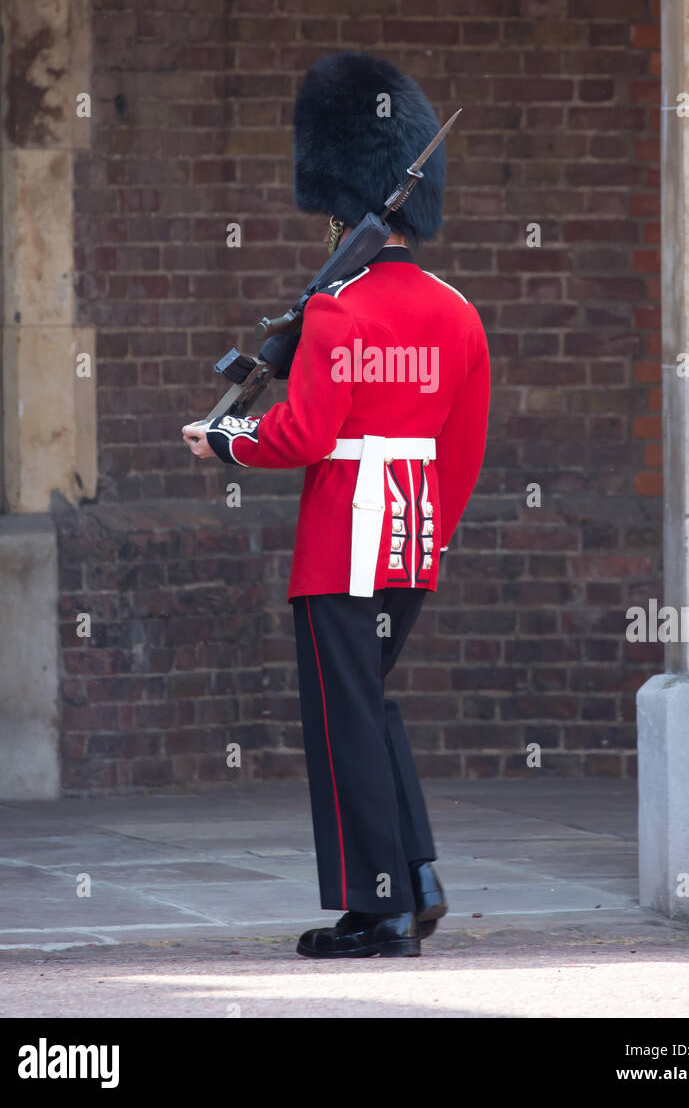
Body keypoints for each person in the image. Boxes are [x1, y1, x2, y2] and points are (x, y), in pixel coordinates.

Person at [182, 51, 491, 958]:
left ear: (337, 210)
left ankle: (379, 908)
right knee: (370, 705)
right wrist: (427, 532)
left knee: (341, 718)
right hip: (414, 537)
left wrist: (226, 439)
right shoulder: (457, 311)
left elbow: (305, 434)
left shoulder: (338, 311)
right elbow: (460, 453)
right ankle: (418, 877)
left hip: (342, 540)